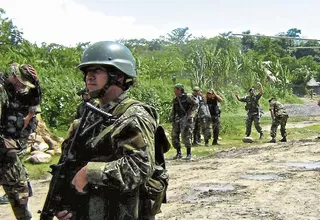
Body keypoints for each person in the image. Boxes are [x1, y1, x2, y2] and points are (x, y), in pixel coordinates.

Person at [55, 41, 169, 220]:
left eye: (97, 71)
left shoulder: (133, 115)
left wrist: (89, 173)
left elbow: (140, 167)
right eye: (87, 72)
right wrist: (68, 204)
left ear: (118, 76)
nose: (89, 77)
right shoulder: (89, 116)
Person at [0, 62, 42, 219]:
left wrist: (29, 117)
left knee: (18, 188)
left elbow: (35, 100)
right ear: (15, 77)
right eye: (22, 83)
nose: (24, 87)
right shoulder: (2, 90)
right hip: (5, 149)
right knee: (19, 187)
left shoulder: (26, 89)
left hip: (10, 148)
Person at [170, 84, 199, 160]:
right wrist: (172, 118)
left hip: (186, 118)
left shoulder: (188, 97)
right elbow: (174, 109)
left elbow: (196, 105)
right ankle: (178, 153)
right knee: (174, 136)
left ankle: (188, 154)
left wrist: (192, 115)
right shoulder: (175, 98)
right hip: (177, 119)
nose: (174, 91)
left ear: (179, 90)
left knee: (186, 135)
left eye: (175, 89)